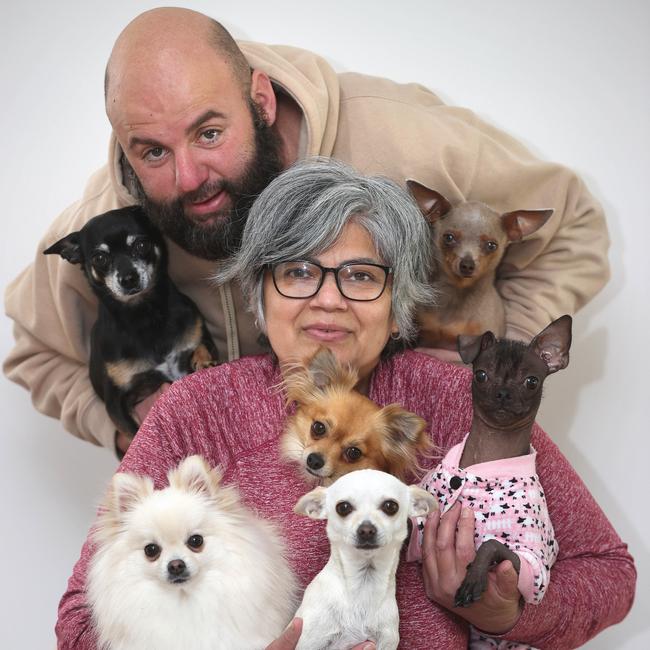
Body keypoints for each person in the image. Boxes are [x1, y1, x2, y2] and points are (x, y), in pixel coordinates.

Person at [56, 160, 634, 649]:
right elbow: (79, 624)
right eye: (299, 271)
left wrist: (508, 615)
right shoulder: (195, 410)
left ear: (399, 296)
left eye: (360, 275)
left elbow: (609, 572)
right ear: (259, 289)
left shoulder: (465, 399)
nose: (328, 300)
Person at [4, 7, 610, 455]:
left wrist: (488, 369)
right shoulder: (113, 216)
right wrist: (132, 426)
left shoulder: (407, 138)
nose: (189, 178)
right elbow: (35, 349)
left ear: (261, 100)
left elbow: (573, 225)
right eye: (152, 151)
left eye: (210, 133)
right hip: (239, 514)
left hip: (409, 468)